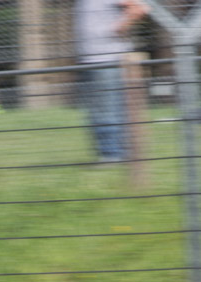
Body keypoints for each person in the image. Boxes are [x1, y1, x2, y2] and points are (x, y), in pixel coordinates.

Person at [74, 0, 149, 162]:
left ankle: (112, 156)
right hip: (91, 60)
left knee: (107, 111)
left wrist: (118, 27)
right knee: (98, 111)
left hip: (107, 59)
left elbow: (140, 8)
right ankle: (113, 153)